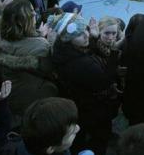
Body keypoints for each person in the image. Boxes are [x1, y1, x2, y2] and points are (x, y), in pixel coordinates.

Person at [50, 12, 119, 154]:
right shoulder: (81, 64)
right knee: (99, 137)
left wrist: (93, 39)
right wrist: (113, 53)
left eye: (86, 30)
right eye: (80, 34)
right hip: (92, 107)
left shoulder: (63, 49)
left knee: (82, 134)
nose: (86, 35)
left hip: (78, 103)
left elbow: (86, 52)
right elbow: (105, 81)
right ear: (69, 39)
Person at [0, 0, 59, 122]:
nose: (35, 13)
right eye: (31, 13)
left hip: (14, 89)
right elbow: (49, 69)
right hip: (34, 93)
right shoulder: (41, 46)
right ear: (21, 23)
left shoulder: (1, 32)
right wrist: (49, 41)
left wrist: (38, 35)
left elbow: (20, 45)